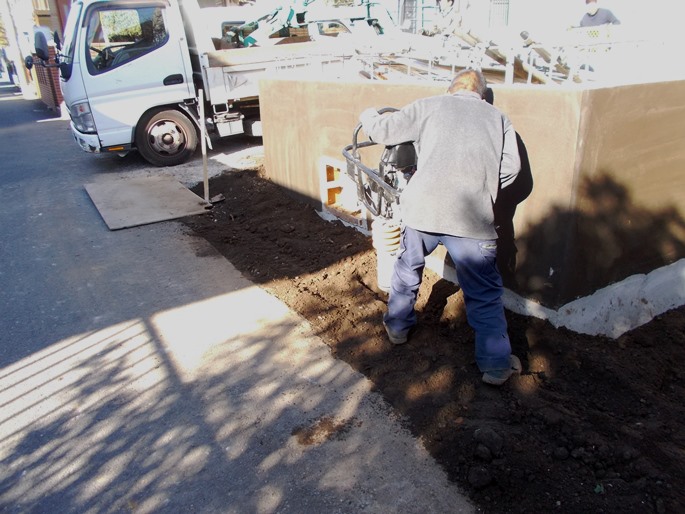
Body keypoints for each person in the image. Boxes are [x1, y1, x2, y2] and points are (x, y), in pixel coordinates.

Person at [359, 69, 522, 386]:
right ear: (483, 95)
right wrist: (482, 187)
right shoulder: (498, 118)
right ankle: (496, 366)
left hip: (424, 214)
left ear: (450, 89)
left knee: (407, 267)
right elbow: (512, 169)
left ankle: (397, 327)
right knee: (485, 294)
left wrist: (367, 112)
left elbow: (382, 129)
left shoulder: (428, 105)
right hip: (473, 222)